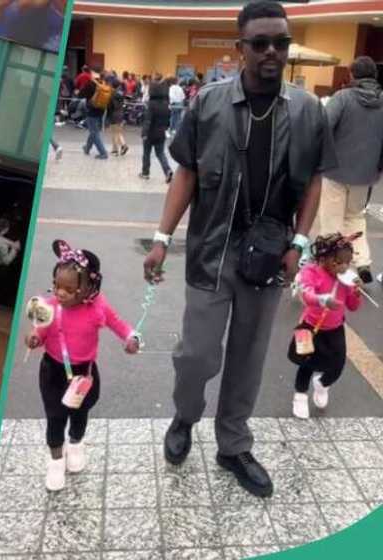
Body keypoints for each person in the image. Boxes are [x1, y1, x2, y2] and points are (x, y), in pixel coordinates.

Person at [144, 1, 337, 498]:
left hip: (270, 254)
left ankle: (233, 444)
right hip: (212, 250)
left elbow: (314, 180)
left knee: (249, 356)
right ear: (241, 48)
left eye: (281, 42)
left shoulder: (308, 111)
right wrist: (162, 239)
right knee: (196, 354)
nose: (272, 51)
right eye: (260, 43)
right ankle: (185, 416)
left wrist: (299, 241)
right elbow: (186, 173)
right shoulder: (208, 104)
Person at [25, 240, 139, 492]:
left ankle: (76, 443)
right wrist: (33, 339)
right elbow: (38, 333)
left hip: (84, 373)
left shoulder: (98, 307)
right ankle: (56, 461)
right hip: (53, 371)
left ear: (89, 288)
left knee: (80, 412)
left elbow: (118, 323)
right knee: (55, 417)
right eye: (56, 285)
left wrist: (131, 337)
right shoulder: (49, 306)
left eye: (69, 288)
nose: (60, 293)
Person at [315, 56, 383, 284]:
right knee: (355, 216)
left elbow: (323, 126)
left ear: (352, 74)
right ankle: (363, 262)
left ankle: (330, 265)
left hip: (335, 170)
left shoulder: (343, 97)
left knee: (331, 220)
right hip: (366, 174)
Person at [288, 233, 363, 419]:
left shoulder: (346, 279)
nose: (343, 267)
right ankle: (300, 396)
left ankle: (322, 383)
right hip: (310, 326)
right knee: (306, 364)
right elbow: (306, 294)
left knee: (338, 365)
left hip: (335, 328)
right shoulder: (311, 272)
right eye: (338, 262)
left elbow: (353, 307)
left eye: (348, 262)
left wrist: (356, 292)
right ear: (323, 258)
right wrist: (322, 300)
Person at [140, 81, 174, 182]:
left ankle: (145, 173)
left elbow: (148, 120)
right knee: (160, 153)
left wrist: (144, 133)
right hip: (161, 132)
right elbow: (168, 120)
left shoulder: (151, 104)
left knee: (146, 153)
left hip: (150, 133)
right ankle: (167, 170)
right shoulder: (166, 104)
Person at [78, 69, 110, 159]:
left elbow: (80, 94)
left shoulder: (91, 84)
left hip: (91, 111)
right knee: (94, 131)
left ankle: (103, 153)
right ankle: (87, 148)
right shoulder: (105, 84)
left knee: (94, 132)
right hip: (101, 111)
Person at [107, 72, 129, 156]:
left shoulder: (112, 94)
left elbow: (110, 105)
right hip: (120, 113)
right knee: (118, 132)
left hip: (114, 114)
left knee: (115, 133)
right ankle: (121, 147)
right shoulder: (121, 93)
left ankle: (117, 150)